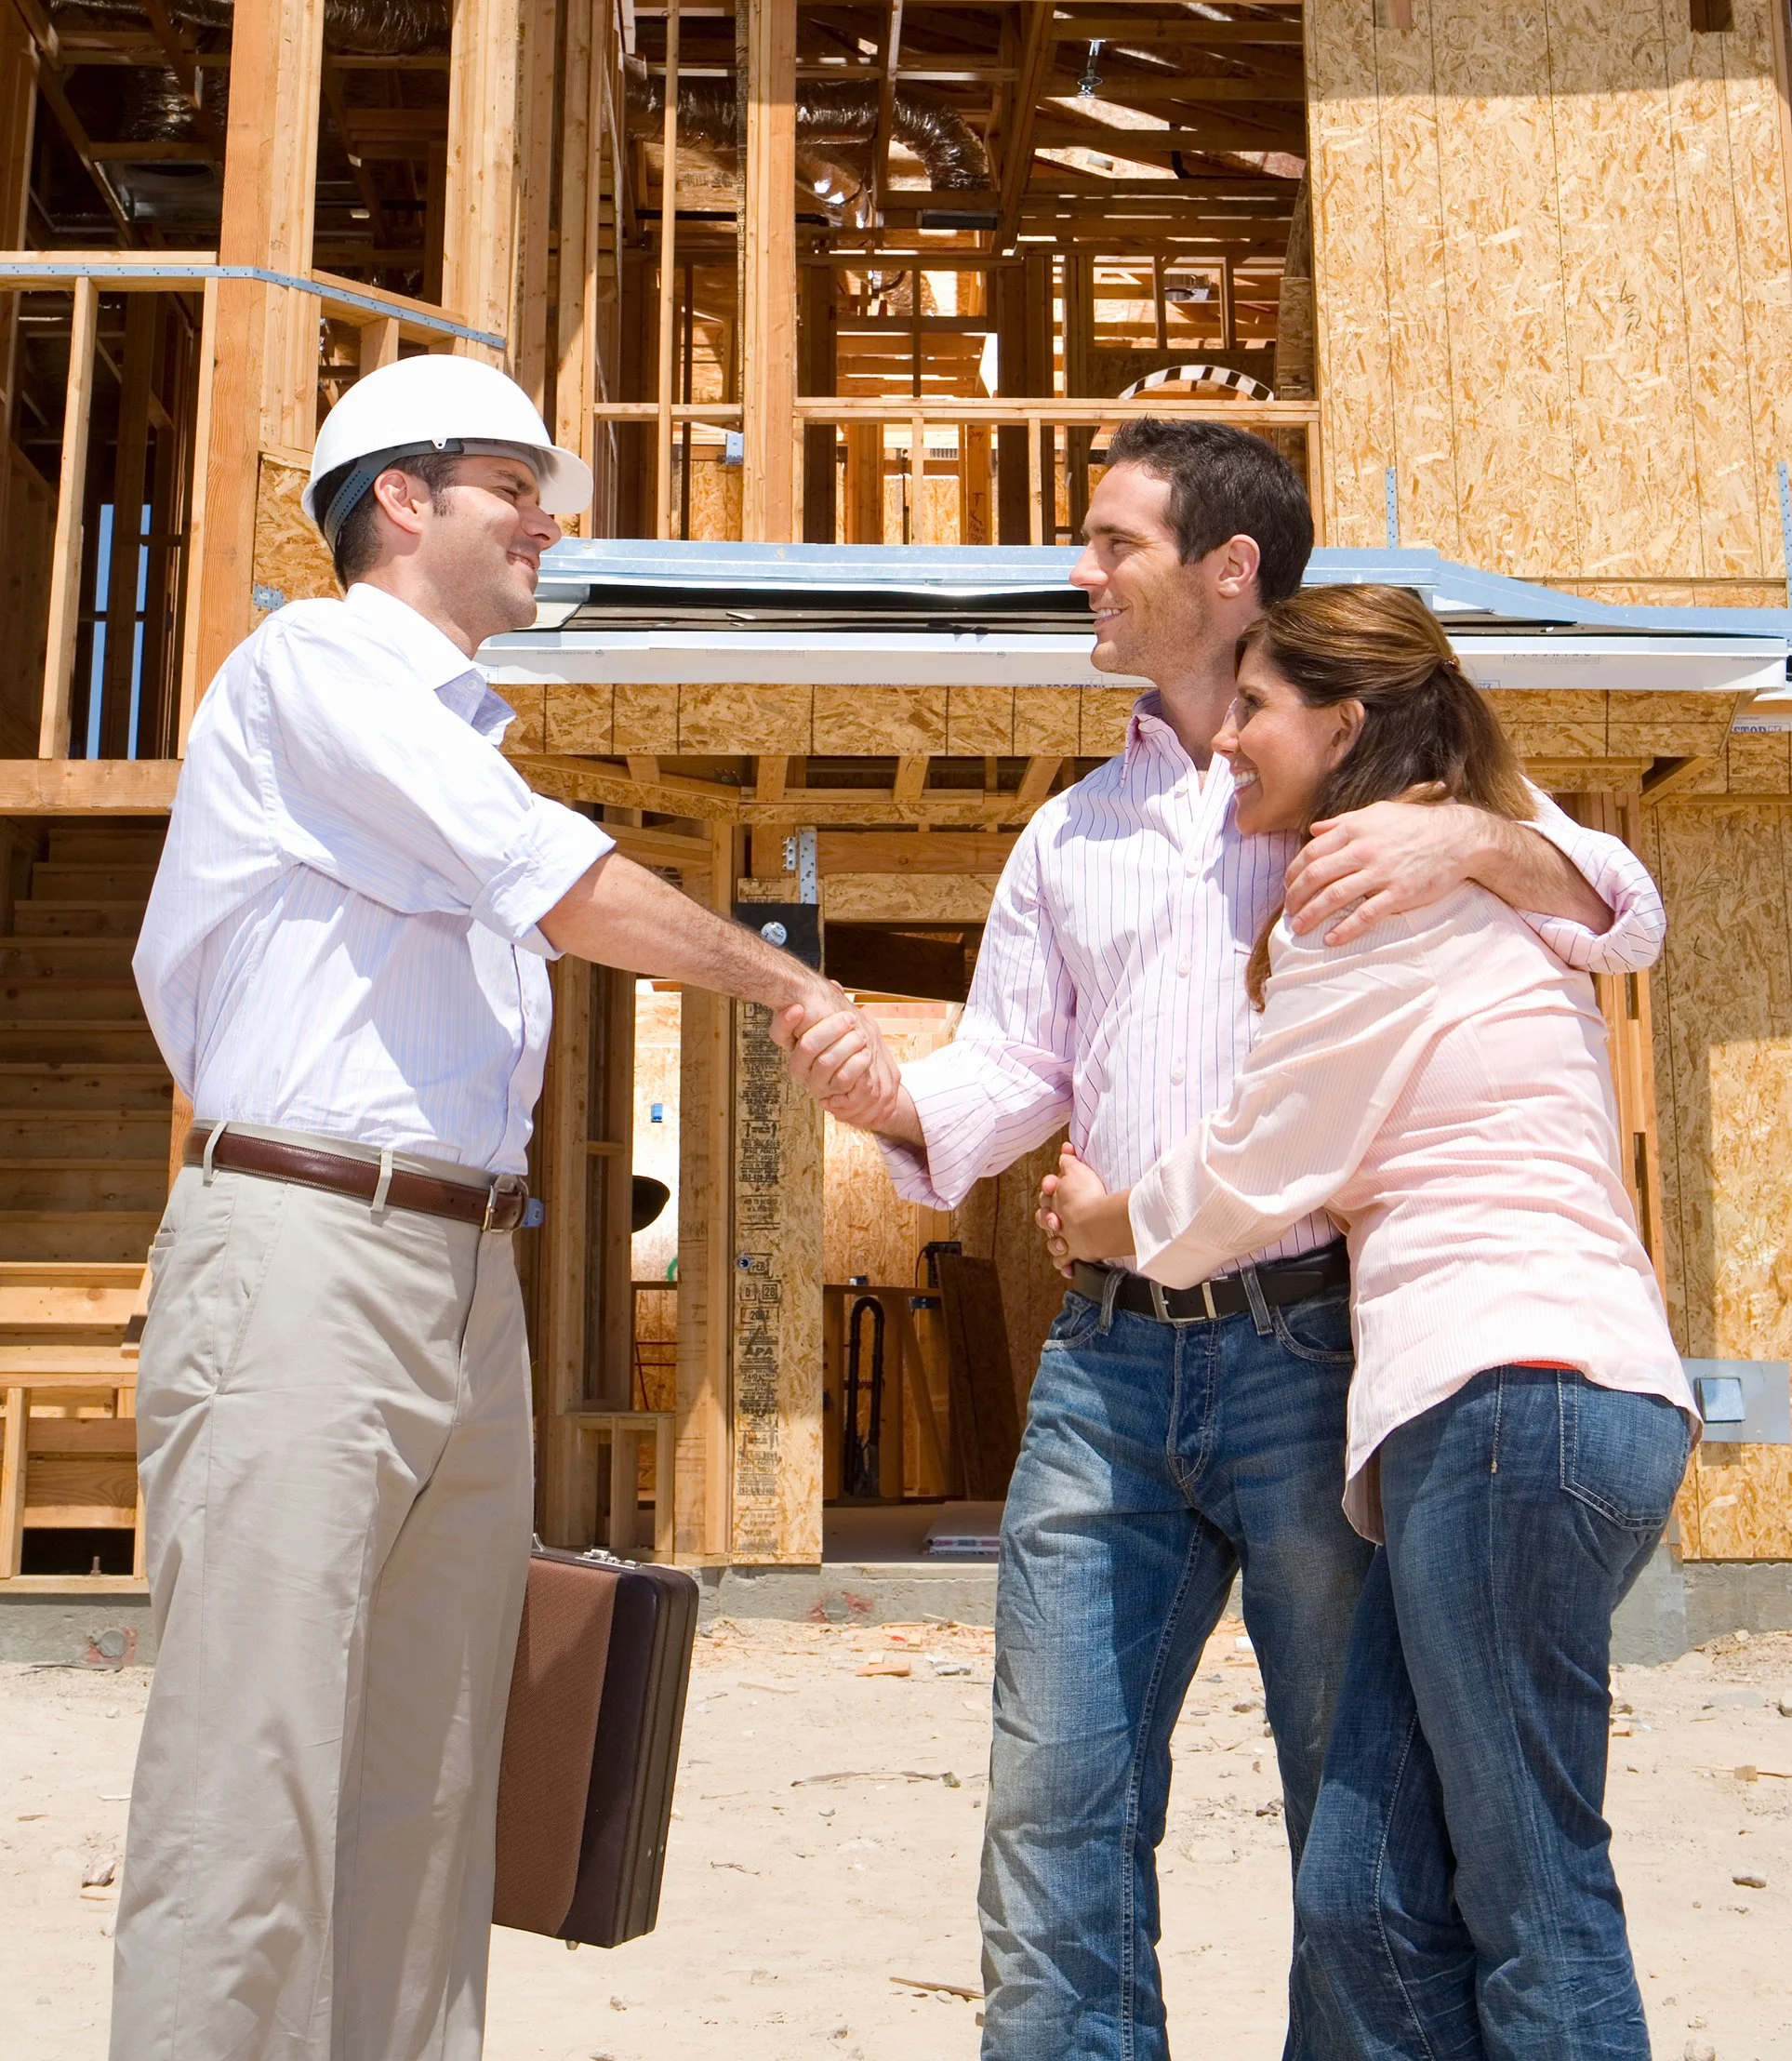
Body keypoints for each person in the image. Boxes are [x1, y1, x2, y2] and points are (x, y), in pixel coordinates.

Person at [777, 419, 1666, 2061]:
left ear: (1227, 569)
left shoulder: (1366, 777)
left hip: (1318, 1343)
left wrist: (1474, 836)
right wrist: (886, 1096)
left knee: (1358, 1824)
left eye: (1113, 540)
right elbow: (1013, 1070)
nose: (1080, 571)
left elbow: (1621, 907)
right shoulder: (1071, 833)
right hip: (1107, 1362)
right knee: (1054, 1805)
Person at [115, 353, 849, 2061]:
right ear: (401, 500)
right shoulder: (315, 667)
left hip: (458, 1265)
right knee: (258, 1764)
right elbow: (558, 885)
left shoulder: (450, 735)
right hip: (305, 1251)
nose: (545, 526)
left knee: (432, 1777)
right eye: (514, 488)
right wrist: (790, 988)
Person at [1038, 581, 1696, 2060]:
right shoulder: (1456, 864)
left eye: (1257, 711)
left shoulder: (1375, 901)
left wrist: (1098, 1222)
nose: (1228, 747)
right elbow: (1613, 903)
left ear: (1343, 725)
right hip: (1513, 1410)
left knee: (1532, 1886)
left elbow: (1262, 1163)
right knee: (1368, 1887)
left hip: (1511, 1392)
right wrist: (1481, 830)